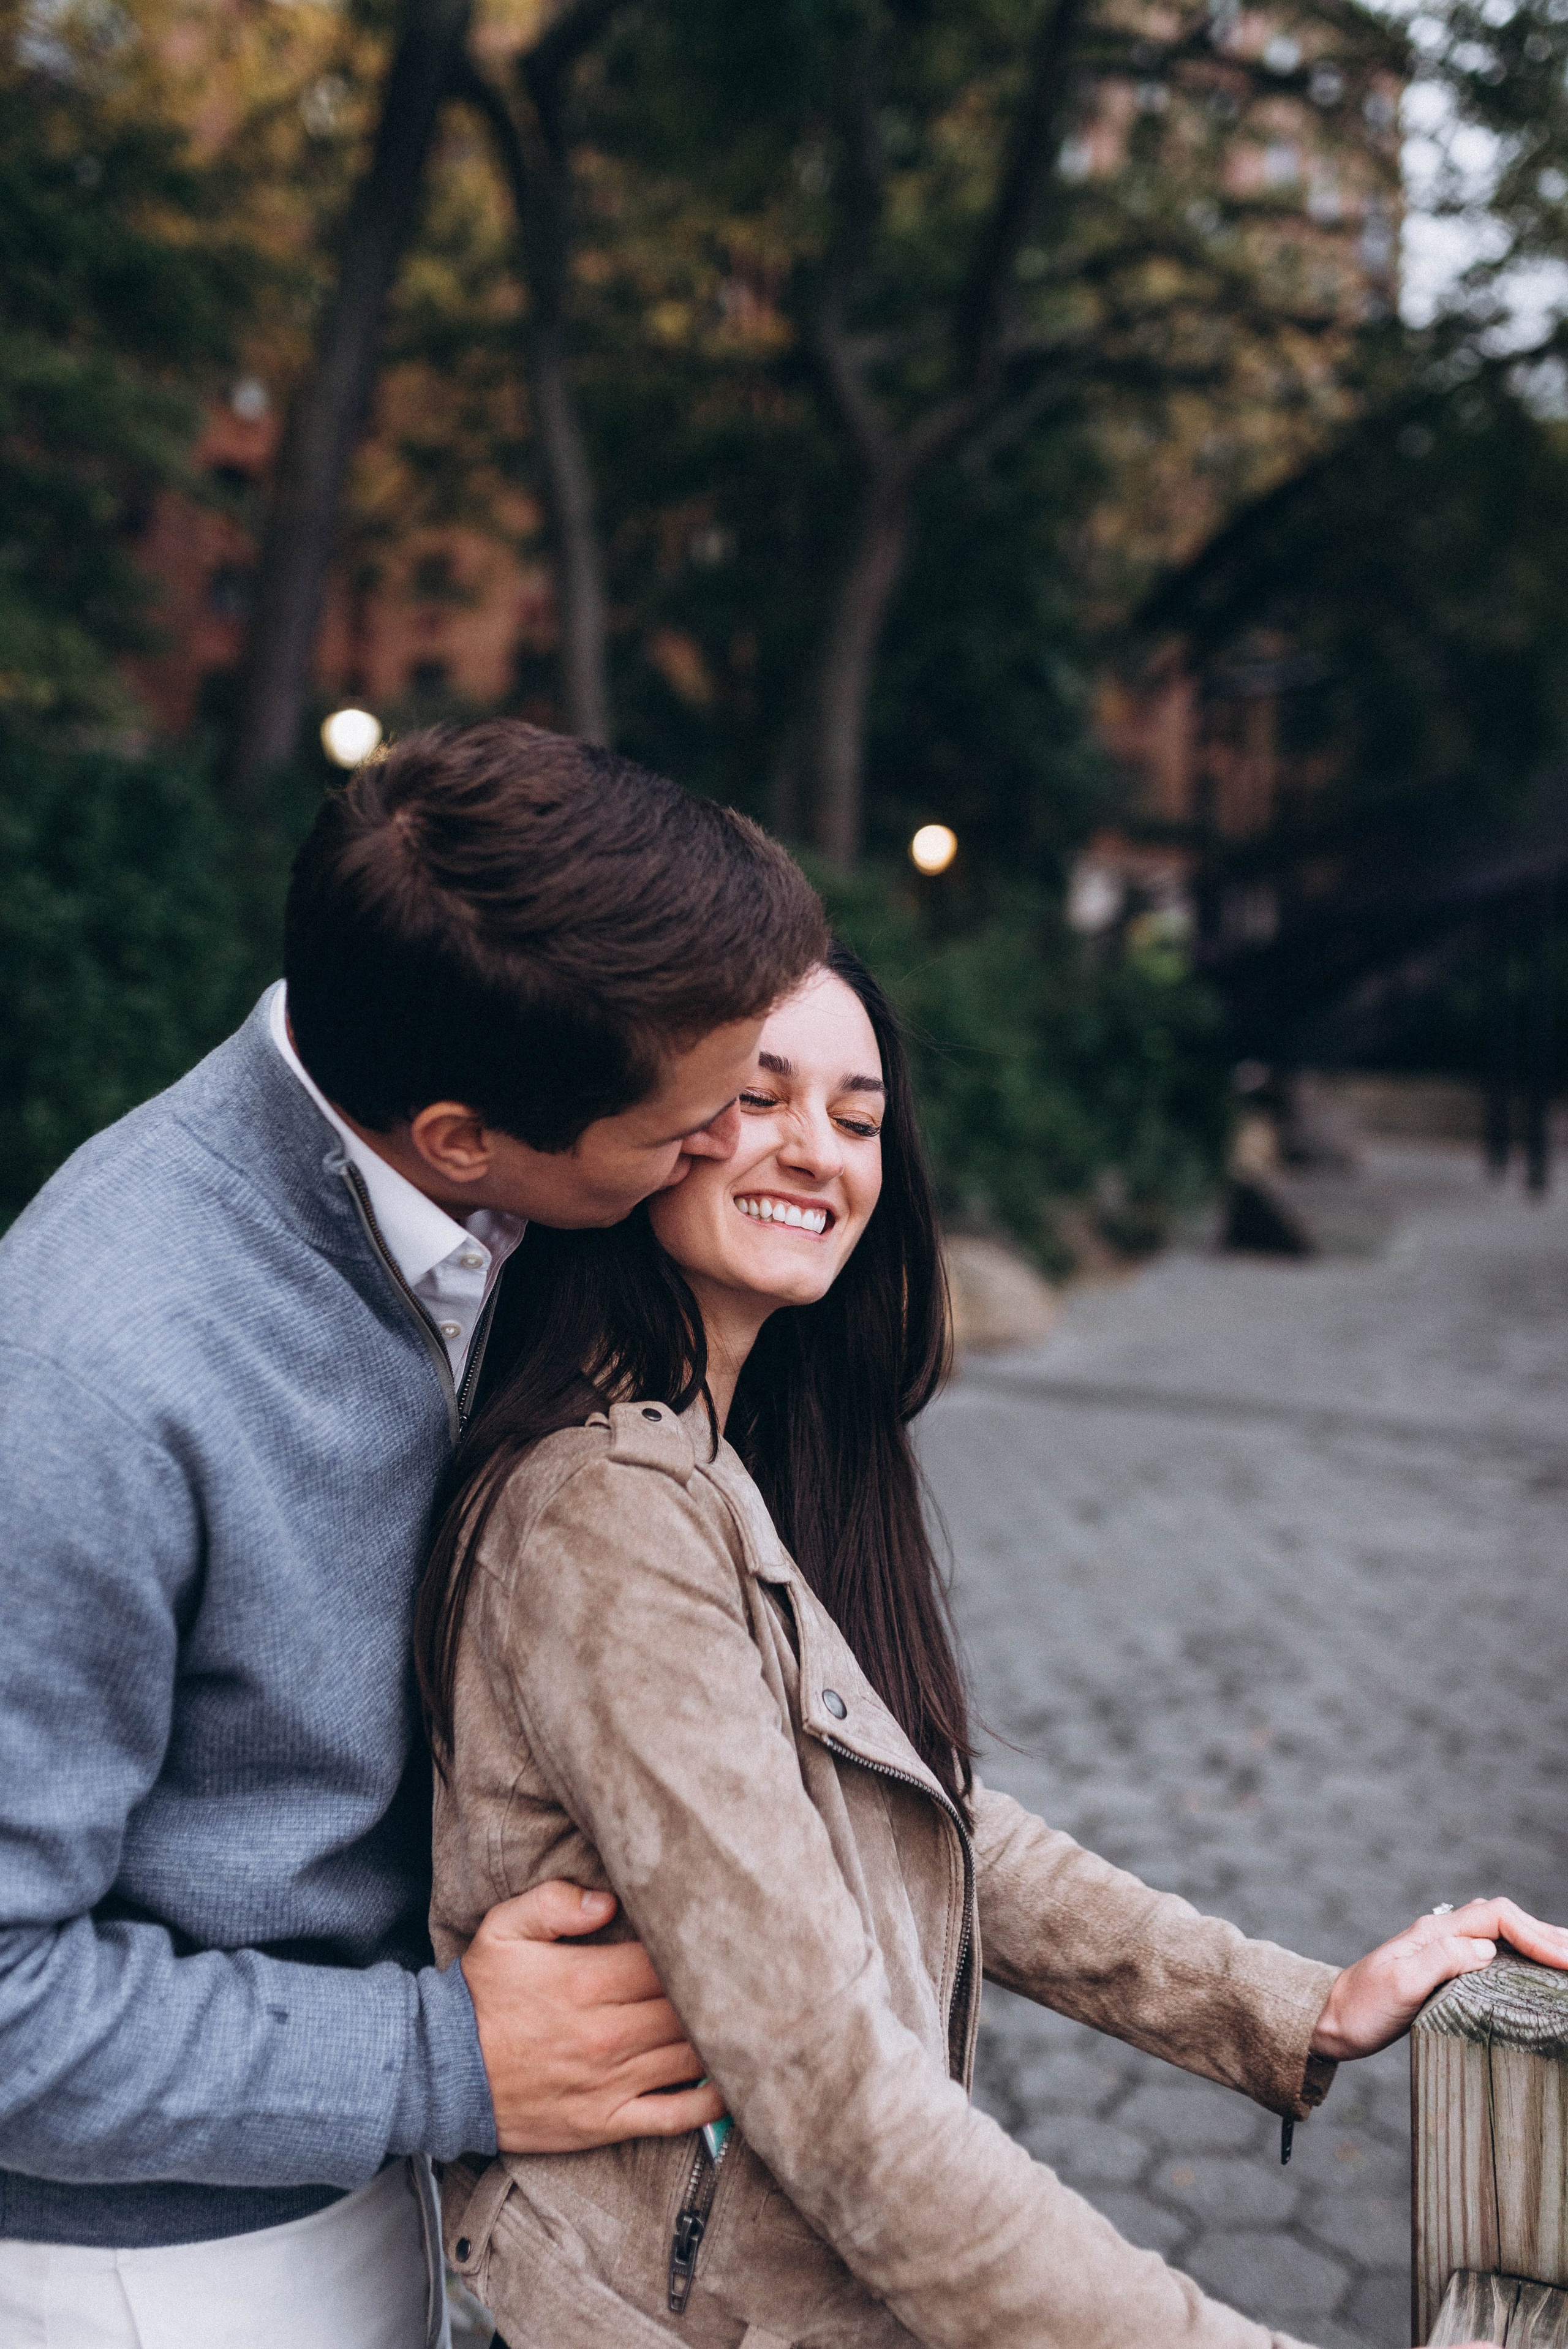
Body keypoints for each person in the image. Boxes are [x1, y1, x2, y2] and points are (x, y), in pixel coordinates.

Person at [422, 944, 1566, 2349]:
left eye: (856, 1118)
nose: (814, 1152)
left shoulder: (719, 1453)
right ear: (650, 1124)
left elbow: (930, 1819)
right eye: (756, 1095)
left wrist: (1296, 2004)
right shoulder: (609, 1512)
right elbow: (829, 2083)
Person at [0, 722, 826, 2348]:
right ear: (463, 1135)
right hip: (166, 2275)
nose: (732, 1143)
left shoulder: (474, 1197)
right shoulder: (92, 1372)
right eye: (686, 1124)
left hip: (390, 2184)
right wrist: (448, 2052)